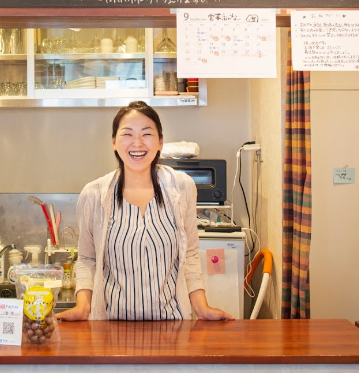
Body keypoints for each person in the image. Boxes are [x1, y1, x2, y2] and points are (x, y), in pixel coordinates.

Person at [57, 101, 234, 321]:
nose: (137, 143)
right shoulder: (94, 194)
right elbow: (87, 259)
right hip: (112, 329)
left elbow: (189, 256)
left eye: (147, 134)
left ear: (160, 141)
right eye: (127, 134)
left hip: (173, 327)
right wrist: (83, 307)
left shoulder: (182, 187)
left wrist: (201, 308)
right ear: (114, 142)